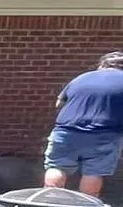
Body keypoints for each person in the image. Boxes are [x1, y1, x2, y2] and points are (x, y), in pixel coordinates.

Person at [45, 51, 123, 196]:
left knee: (57, 166)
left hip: (66, 131)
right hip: (105, 134)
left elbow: (59, 104)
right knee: (93, 172)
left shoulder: (81, 78)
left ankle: (49, 204)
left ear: (102, 65)